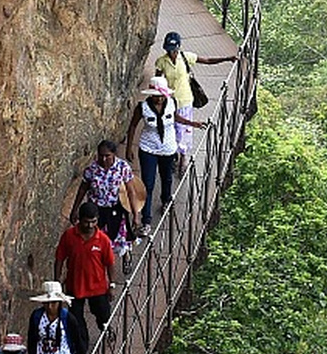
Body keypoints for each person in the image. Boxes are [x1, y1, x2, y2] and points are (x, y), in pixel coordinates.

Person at [131, 76, 205, 227]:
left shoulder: (171, 102)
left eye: (161, 96)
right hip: (148, 148)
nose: (159, 99)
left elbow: (174, 117)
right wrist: (128, 149)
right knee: (148, 183)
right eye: (156, 96)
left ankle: (166, 200)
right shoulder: (142, 107)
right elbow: (132, 126)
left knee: (167, 178)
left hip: (168, 147)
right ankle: (146, 219)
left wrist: (192, 123)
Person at [153, 31, 237, 152]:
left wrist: (227, 59)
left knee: (184, 130)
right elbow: (158, 82)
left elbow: (207, 60)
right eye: (169, 50)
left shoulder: (185, 57)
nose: (171, 52)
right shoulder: (161, 61)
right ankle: (173, 155)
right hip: (169, 100)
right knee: (171, 128)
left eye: (173, 50)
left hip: (185, 99)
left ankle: (182, 158)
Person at [54, 201, 116, 332]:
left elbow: (110, 263)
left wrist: (111, 285)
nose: (90, 225)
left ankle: (106, 331)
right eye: (86, 222)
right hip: (75, 286)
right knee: (76, 320)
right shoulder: (69, 236)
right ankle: (82, 348)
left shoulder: (103, 240)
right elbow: (59, 258)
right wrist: (57, 281)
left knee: (103, 315)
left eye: (93, 222)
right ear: (80, 219)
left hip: (98, 287)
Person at [75, 139, 134, 258]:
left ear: (114, 154)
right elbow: (82, 189)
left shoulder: (122, 167)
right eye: (101, 156)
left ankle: (122, 255)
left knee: (114, 240)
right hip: (97, 210)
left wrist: (135, 214)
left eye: (107, 156)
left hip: (115, 208)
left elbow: (130, 191)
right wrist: (74, 209)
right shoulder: (92, 170)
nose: (103, 159)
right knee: (97, 242)